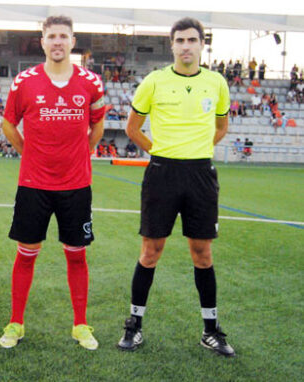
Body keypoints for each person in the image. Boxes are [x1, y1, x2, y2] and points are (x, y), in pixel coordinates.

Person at [117, 17, 235, 357]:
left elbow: (222, 126)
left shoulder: (216, 82)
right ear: (172, 45)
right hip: (162, 174)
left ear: (201, 45)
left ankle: (210, 330)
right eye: (180, 40)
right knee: (151, 251)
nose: (186, 46)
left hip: (200, 175)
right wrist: (163, 152)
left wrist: (195, 151)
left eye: (192, 40)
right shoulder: (154, 81)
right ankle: (134, 326)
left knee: (203, 254)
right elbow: (133, 128)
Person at [0, 15, 105, 351]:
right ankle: (16, 322)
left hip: (76, 184)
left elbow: (97, 124)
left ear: (73, 42)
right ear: (42, 42)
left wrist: (83, 154)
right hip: (34, 184)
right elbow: (8, 124)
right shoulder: (24, 82)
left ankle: (80, 324)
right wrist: (28, 153)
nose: (57, 42)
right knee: (26, 254)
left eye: (63, 36)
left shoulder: (91, 82)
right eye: (51, 36)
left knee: (76, 255)